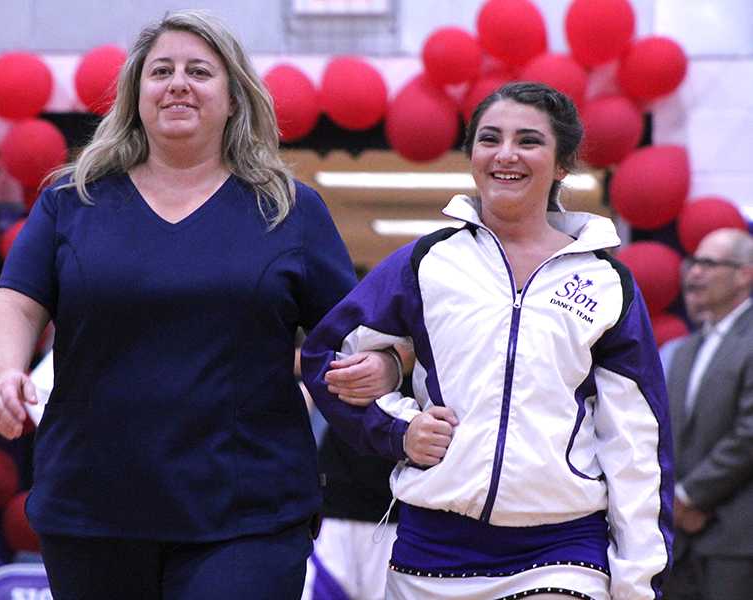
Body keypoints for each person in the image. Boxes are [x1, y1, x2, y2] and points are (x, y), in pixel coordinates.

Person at [0, 10, 400, 599]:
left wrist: (383, 367)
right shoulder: (71, 202)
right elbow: (15, 306)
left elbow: (354, 337)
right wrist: (4, 374)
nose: (178, 83)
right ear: (135, 95)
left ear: (233, 99)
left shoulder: (289, 211)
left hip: (250, 511)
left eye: (199, 71)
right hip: (92, 505)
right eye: (161, 71)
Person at [302, 81, 674, 599]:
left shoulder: (606, 283)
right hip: (430, 553)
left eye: (528, 141)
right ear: (472, 154)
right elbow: (326, 359)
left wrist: (638, 583)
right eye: (489, 138)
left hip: (563, 551)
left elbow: (637, 443)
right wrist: (398, 428)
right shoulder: (428, 263)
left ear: (563, 163)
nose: (506, 154)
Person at [663, 227, 753, 600]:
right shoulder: (686, 349)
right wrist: (674, 503)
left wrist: (690, 496)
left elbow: (749, 433)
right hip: (678, 538)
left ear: (745, 274)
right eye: (693, 262)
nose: (694, 273)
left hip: (735, 538)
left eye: (708, 263)